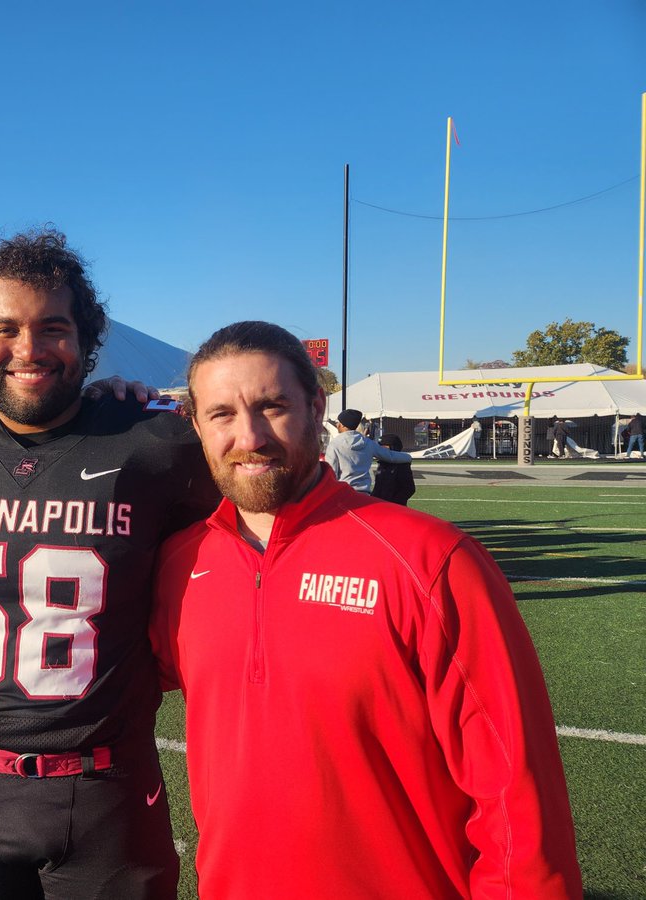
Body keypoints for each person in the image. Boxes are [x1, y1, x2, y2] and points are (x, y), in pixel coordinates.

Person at [149, 320, 583, 899]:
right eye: (222, 414)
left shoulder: (428, 558)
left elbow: (516, 789)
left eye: (272, 406)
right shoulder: (181, 562)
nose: (249, 436)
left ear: (315, 407)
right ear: (197, 426)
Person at [0, 229, 217, 899]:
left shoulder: (158, 441)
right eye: (4, 328)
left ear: (88, 338)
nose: (29, 349)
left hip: (108, 791)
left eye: (53, 327)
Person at [323, 407, 412, 493]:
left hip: (343, 492)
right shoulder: (367, 443)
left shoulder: (335, 444)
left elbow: (331, 473)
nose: (336, 424)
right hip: (363, 493)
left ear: (342, 424)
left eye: (338, 422)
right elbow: (390, 456)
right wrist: (409, 457)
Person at [371, 433, 415, 505]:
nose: (381, 451)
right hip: (380, 506)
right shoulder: (382, 464)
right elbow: (378, 487)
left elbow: (409, 489)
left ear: (393, 447)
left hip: (394, 508)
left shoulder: (402, 465)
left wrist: (394, 503)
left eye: (384, 447)